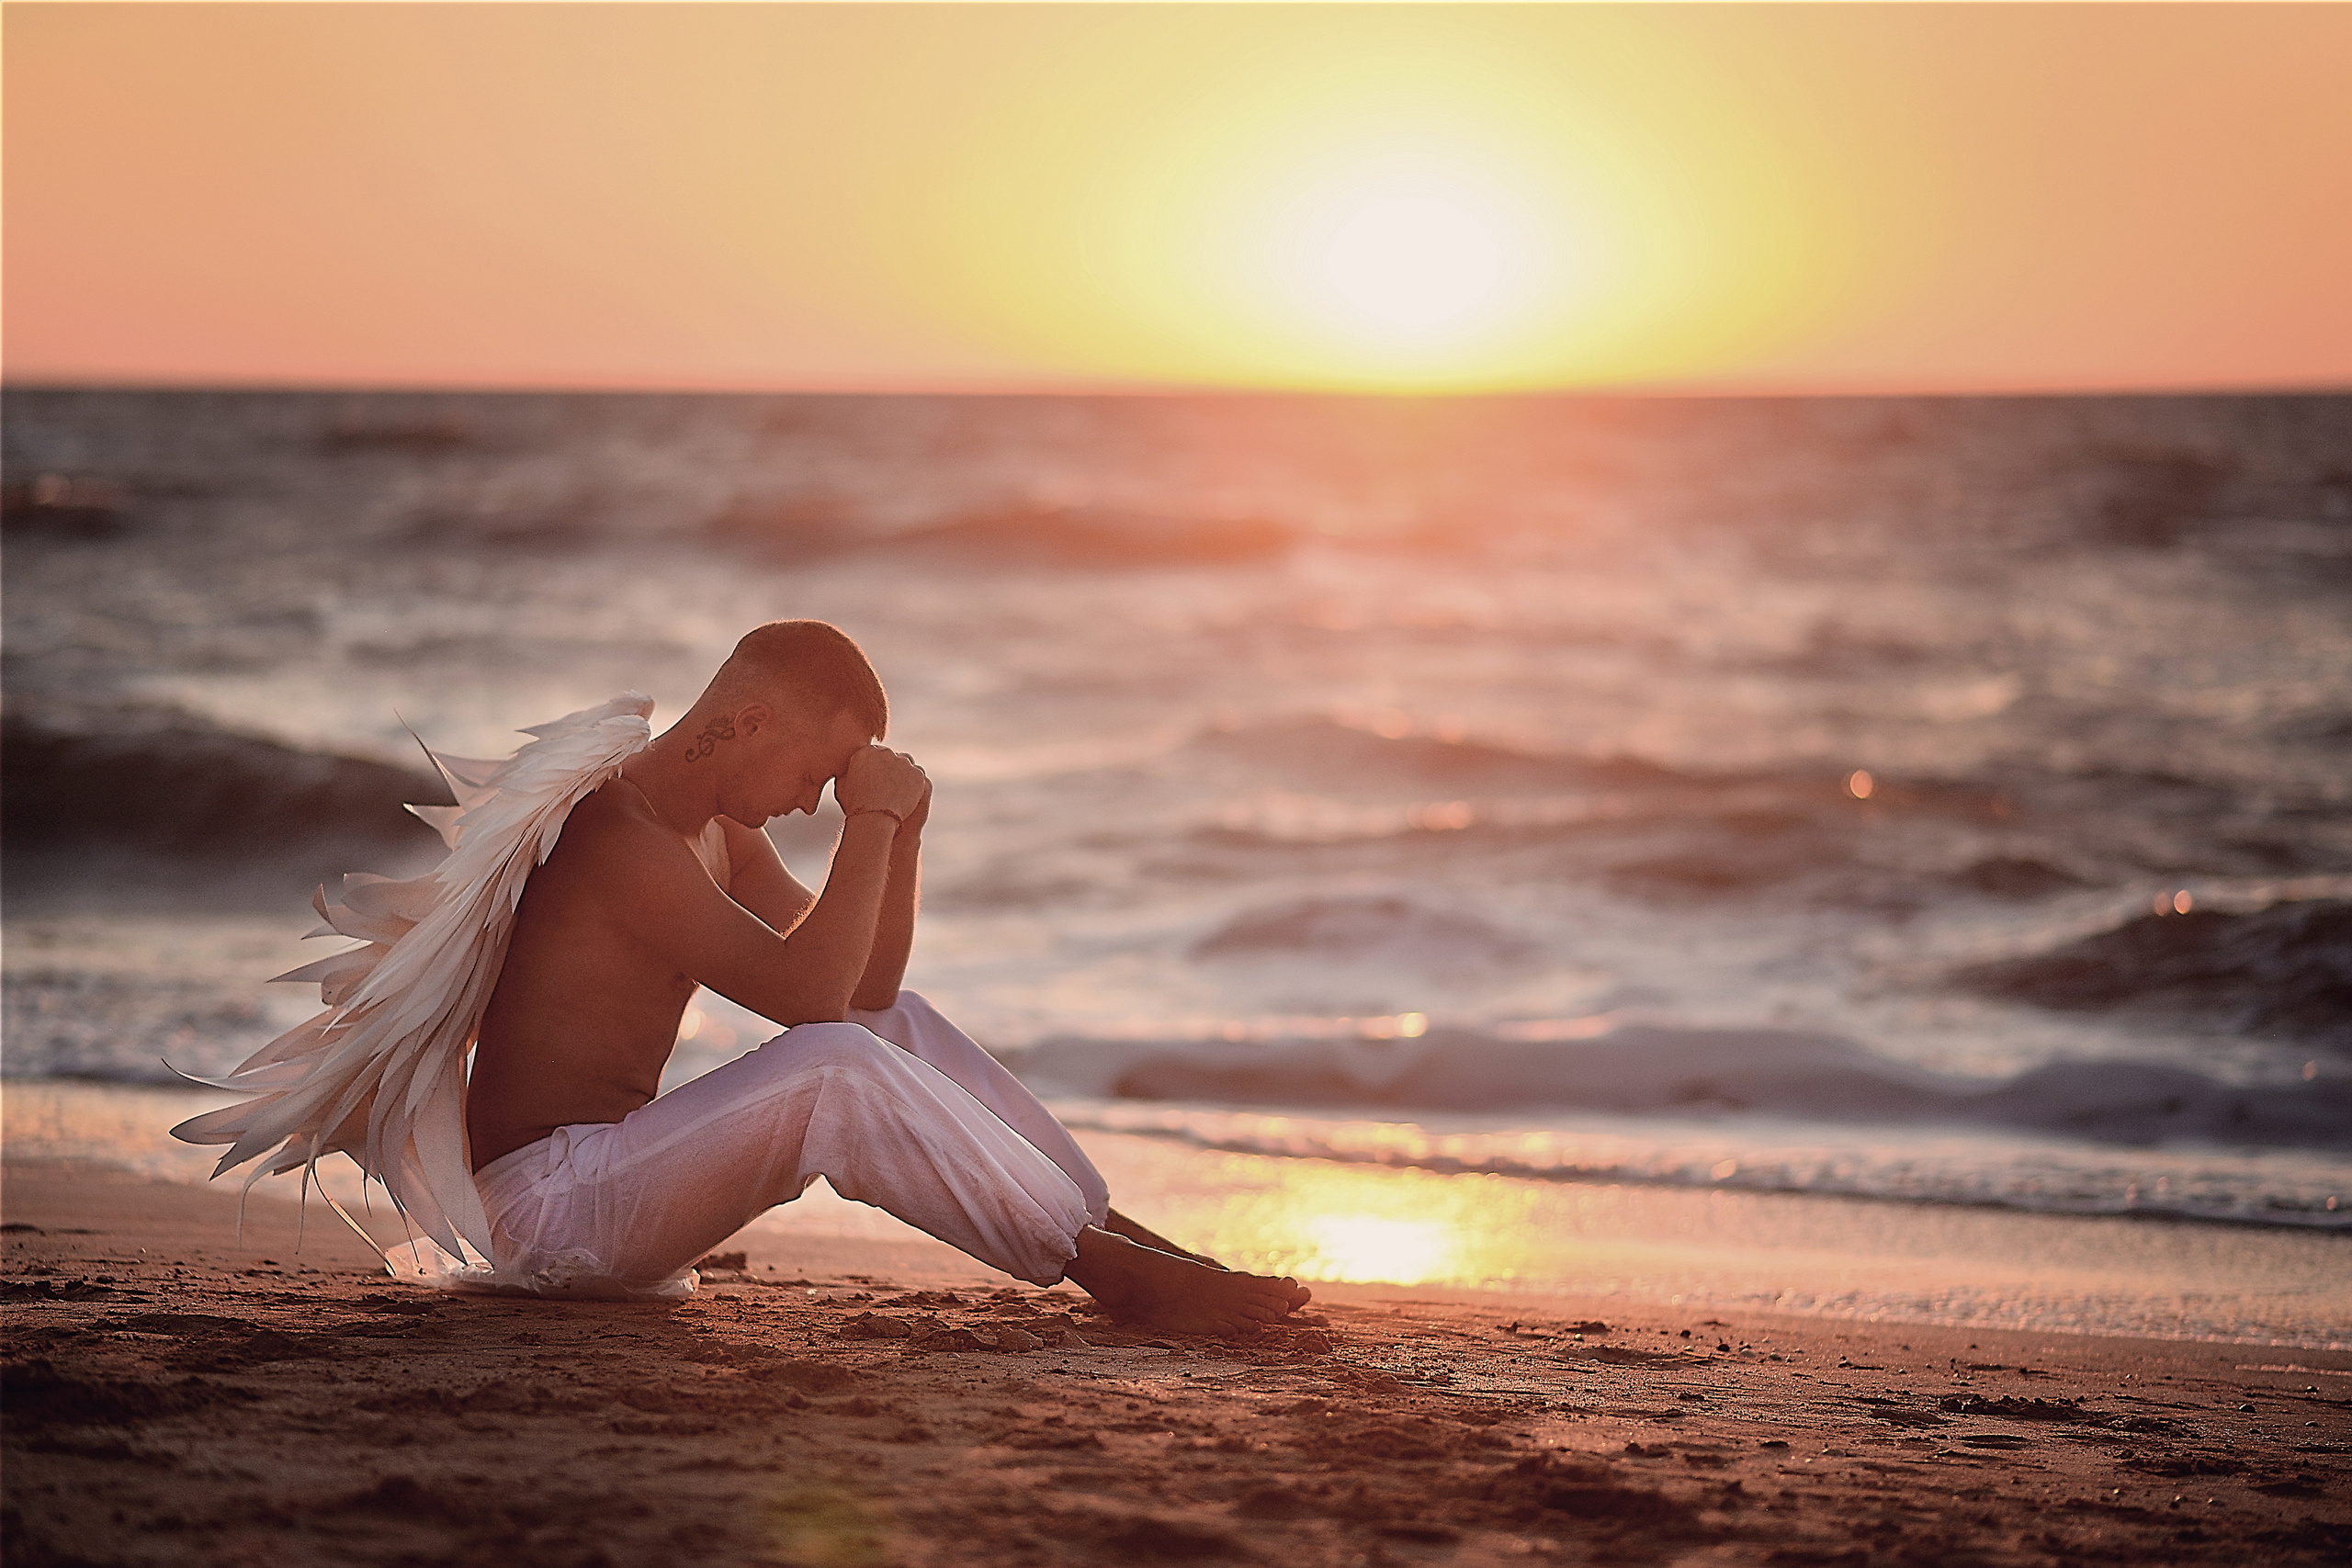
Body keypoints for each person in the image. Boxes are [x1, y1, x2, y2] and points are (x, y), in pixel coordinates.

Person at [185, 620, 1308, 1336]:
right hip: (545, 1214)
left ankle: (1113, 1233)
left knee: (895, 1025)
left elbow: (864, 984)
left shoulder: (716, 830)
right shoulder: (618, 837)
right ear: (748, 719)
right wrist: (869, 817)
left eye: (834, 791)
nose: (816, 803)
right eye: (815, 772)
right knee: (830, 1070)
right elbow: (810, 1008)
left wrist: (898, 837)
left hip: (614, 1186)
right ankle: (1090, 1265)